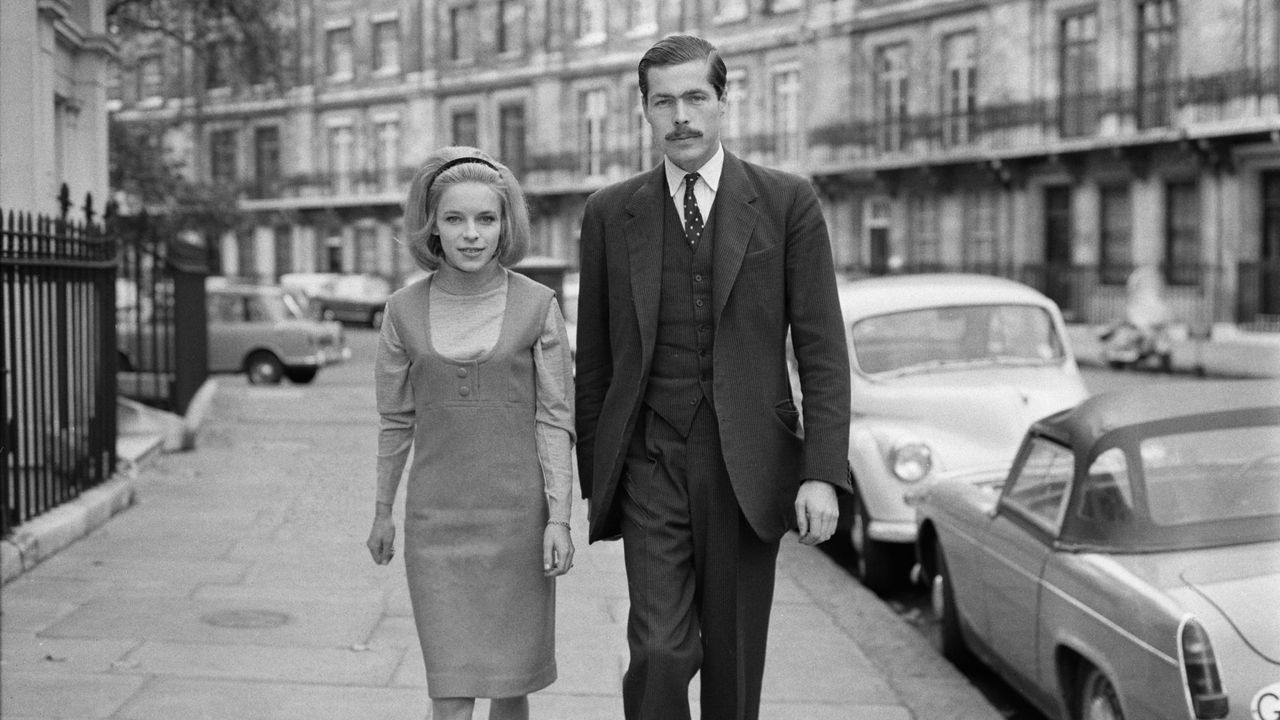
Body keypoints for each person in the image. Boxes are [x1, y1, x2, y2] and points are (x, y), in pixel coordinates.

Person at [574, 35, 852, 720]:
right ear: (644, 111)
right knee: (662, 651)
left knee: (732, 670)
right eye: (663, 101)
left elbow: (821, 348)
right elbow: (597, 362)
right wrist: (594, 472)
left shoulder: (787, 202)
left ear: (724, 101)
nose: (682, 116)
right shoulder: (610, 213)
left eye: (696, 97)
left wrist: (822, 470)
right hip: (650, 461)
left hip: (748, 464)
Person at [367, 146, 576, 720]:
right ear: (431, 225)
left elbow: (556, 418)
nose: (471, 234)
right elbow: (395, 420)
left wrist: (558, 517)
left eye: (486, 219)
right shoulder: (401, 311)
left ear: (506, 224)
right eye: (455, 219)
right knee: (451, 694)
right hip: (437, 528)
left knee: (511, 688)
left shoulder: (538, 306)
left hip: (518, 526)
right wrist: (383, 510)